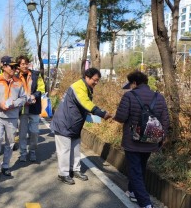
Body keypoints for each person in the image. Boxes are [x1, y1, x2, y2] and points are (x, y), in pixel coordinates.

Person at [113, 70, 169, 208]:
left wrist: (113, 116)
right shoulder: (159, 97)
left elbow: (121, 117)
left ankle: (146, 204)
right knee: (140, 167)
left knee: (135, 171)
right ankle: (132, 192)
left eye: (130, 84)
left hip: (133, 141)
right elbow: (165, 120)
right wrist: (161, 138)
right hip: (151, 140)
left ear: (134, 83)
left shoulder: (129, 96)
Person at [51, 68, 112, 185]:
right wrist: (101, 113)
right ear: (87, 77)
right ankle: (63, 174)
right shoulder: (78, 86)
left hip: (74, 124)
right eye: (95, 80)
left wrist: (97, 117)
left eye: (98, 80)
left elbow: (84, 107)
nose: (96, 83)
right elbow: (86, 103)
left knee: (75, 149)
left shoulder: (87, 88)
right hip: (64, 123)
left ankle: (75, 170)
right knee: (64, 150)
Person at [0, 56, 26, 181]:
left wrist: (15, 103)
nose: (14, 69)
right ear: (3, 66)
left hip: (12, 117)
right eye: (11, 66)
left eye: (15, 66)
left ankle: (6, 166)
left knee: (10, 143)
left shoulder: (18, 82)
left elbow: (23, 98)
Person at [15, 55, 45, 162]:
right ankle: (23, 152)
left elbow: (41, 88)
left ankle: (32, 151)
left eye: (26, 63)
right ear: (18, 66)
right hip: (21, 108)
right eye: (22, 64)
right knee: (22, 133)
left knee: (34, 132)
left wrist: (34, 96)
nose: (25, 66)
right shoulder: (15, 76)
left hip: (34, 107)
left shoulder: (36, 75)